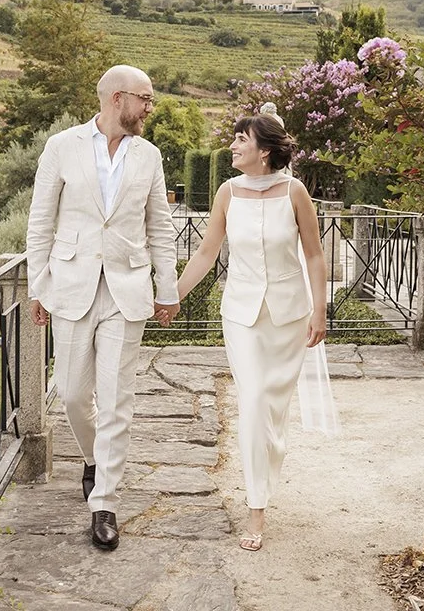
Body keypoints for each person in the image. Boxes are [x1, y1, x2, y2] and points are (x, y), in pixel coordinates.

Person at [25, 65, 181, 550]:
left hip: (127, 289)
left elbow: (160, 226)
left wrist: (167, 287)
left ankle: (105, 503)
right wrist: (38, 286)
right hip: (71, 285)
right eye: (145, 99)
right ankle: (95, 458)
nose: (150, 108)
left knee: (116, 400)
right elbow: (40, 221)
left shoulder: (149, 156)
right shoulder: (61, 146)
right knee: (72, 395)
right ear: (117, 99)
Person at [169, 104, 328, 551]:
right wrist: (174, 295)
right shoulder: (227, 193)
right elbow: (206, 253)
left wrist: (321, 310)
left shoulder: (295, 192)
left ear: (264, 150)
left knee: (272, 410)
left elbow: (314, 255)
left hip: (289, 316)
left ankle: (268, 463)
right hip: (240, 314)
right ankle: (256, 509)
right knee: (254, 401)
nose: (233, 145)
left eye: (242, 138)